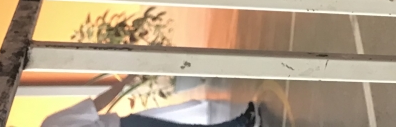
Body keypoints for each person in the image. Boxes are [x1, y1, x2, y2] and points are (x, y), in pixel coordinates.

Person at [41, 78, 262, 127]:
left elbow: (94, 107)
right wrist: (122, 83)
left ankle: (241, 123)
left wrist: (122, 84)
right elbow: (96, 105)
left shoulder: (52, 123)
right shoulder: (51, 123)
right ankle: (242, 123)